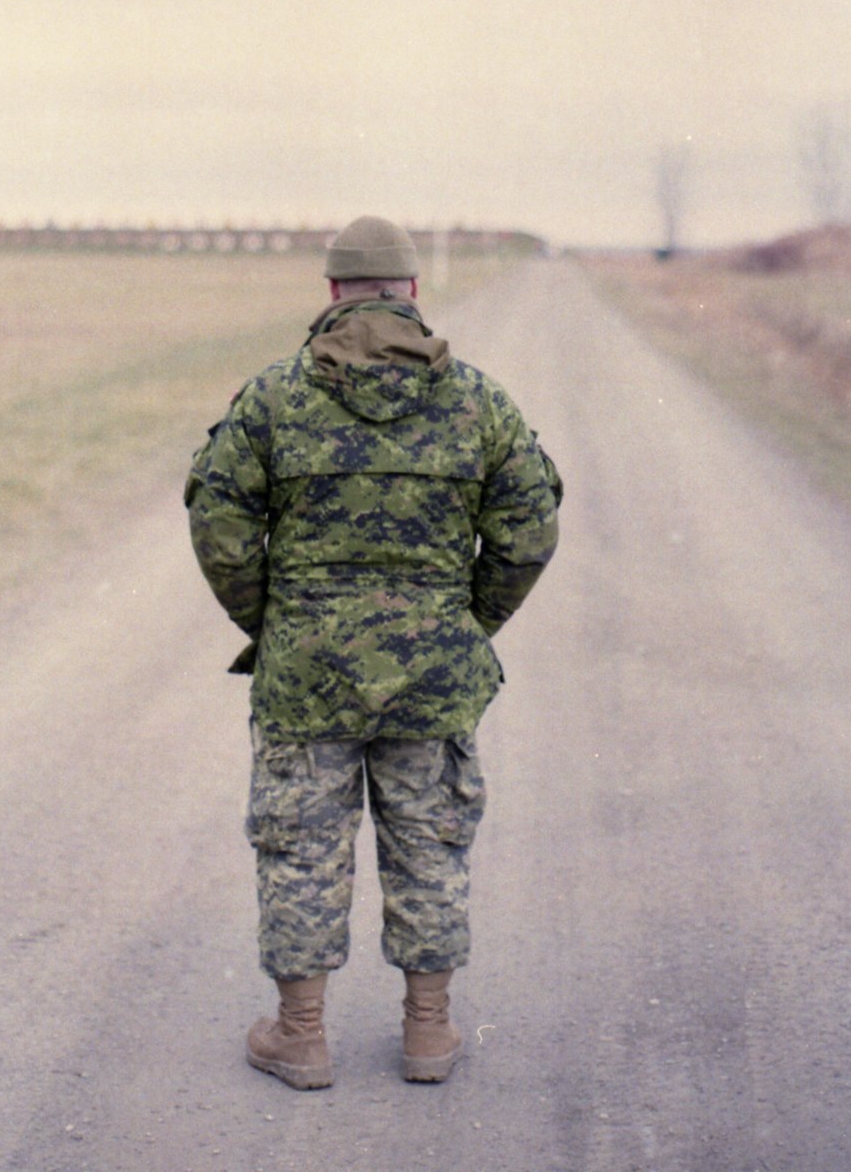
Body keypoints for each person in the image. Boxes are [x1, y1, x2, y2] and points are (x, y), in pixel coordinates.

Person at [184, 216, 561, 1089]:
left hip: (305, 672)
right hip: (433, 673)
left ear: (331, 292)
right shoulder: (479, 402)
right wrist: (463, 623)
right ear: (412, 291)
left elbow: (220, 526)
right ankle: (428, 1031)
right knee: (429, 842)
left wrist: (273, 624)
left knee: (300, 847)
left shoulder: (274, 397)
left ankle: (301, 1034)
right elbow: (530, 529)